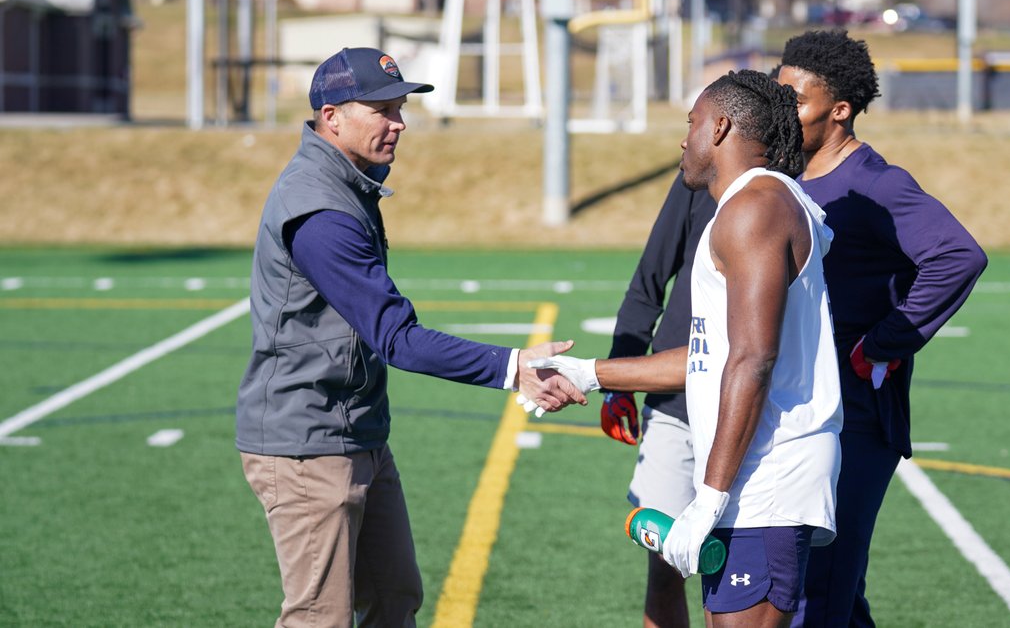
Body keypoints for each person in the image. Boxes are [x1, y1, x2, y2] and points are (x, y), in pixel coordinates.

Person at [235, 47, 582, 628]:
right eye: (381, 110)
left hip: (357, 430)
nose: (398, 123)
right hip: (308, 443)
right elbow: (397, 337)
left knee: (395, 599)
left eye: (399, 108)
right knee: (320, 619)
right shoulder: (319, 207)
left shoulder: (349, 182)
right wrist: (513, 365)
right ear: (331, 116)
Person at [530, 69, 843, 628]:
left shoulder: (755, 208)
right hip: (751, 476)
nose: (684, 138)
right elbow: (710, 357)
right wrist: (588, 373)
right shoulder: (749, 205)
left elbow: (753, 360)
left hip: (765, 481)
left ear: (721, 127)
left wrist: (711, 497)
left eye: (692, 123)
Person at [774, 30, 988, 627]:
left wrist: (884, 342)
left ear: (839, 109)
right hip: (796, 409)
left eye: (794, 99)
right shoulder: (781, 176)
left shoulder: (876, 183)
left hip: (856, 417)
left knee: (821, 593)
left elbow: (958, 256)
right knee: (822, 590)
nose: (780, 109)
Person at [602, 171, 714, 627]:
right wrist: (620, 378)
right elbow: (650, 278)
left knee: (738, 573)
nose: (686, 141)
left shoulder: (793, 186)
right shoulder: (696, 178)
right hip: (674, 404)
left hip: (758, 415)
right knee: (666, 563)